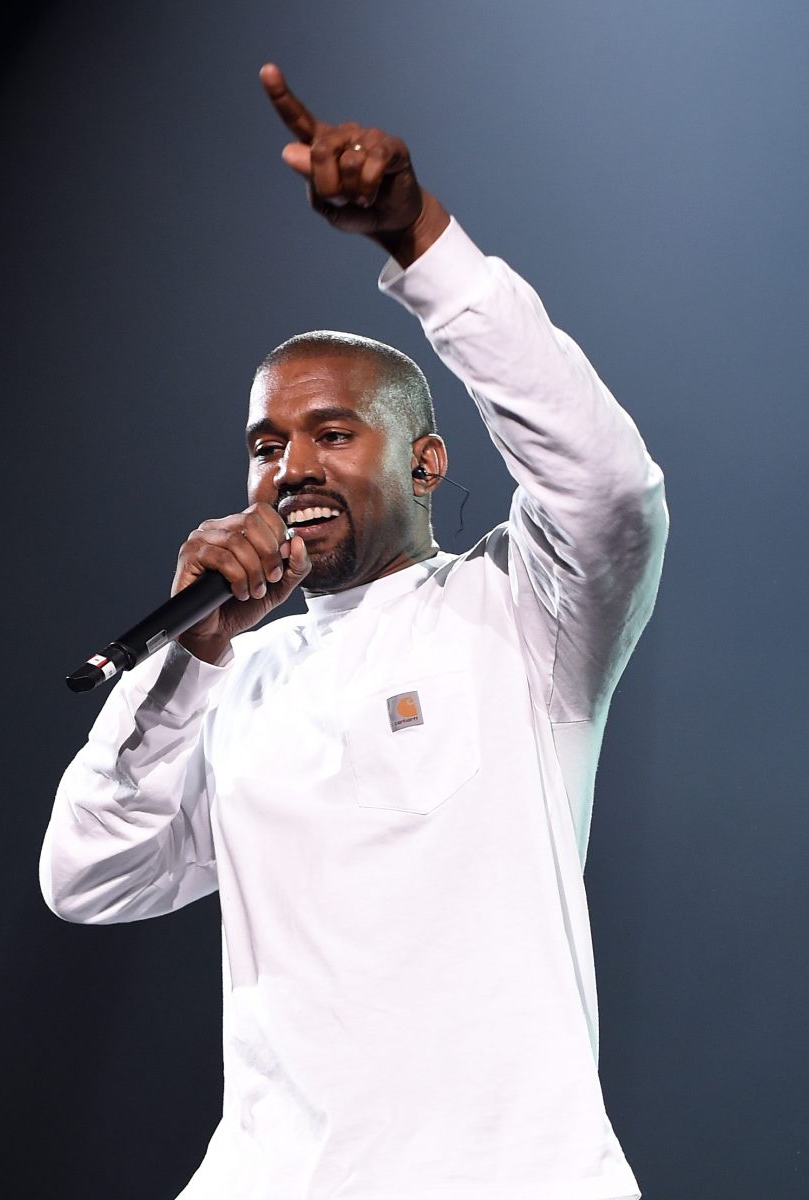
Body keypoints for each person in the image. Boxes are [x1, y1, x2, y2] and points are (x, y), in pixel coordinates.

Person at [41, 63, 668, 1200]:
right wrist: (193, 658)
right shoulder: (234, 679)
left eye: (333, 433)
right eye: (267, 444)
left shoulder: (522, 615)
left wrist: (422, 245)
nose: (290, 466)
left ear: (428, 461)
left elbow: (608, 486)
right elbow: (88, 875)